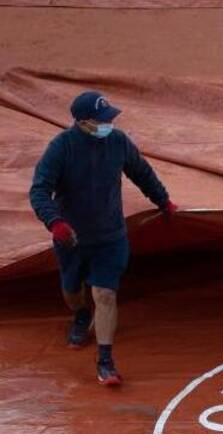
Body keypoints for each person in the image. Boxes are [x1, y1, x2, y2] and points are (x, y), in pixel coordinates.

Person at [29, 91, 178, 386]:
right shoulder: (62, 148)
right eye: (102, 121)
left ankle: (105, 361)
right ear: (83, 122)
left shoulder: (118, 141)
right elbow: (39, 190)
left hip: (110, 236)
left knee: (106, 294)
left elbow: (141, 173)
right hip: (72, 238)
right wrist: (55, 222)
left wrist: (164, 202)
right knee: (72, 291)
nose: (108, 124)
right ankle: (82, 314)